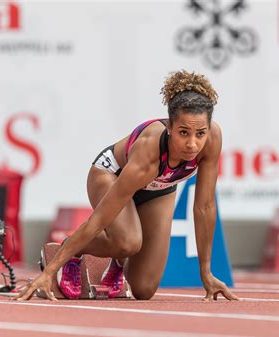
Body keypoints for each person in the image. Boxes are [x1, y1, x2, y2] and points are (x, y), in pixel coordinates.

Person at [16, 70, 239, 302]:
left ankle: (117, 262)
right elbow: (98, 220)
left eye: (200, 133)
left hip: (159, 187)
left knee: (144, 289)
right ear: (170, 127)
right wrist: (50, 270)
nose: (192, 144)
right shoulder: (148, 151)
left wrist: (206, 273)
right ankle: (70, 252)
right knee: (127, 242)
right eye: (183, 133)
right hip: (111, 175)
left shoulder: (212, 139)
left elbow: (204, 208)